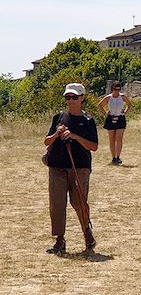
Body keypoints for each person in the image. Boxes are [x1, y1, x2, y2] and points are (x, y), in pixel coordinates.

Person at [44, 83, 98, 254]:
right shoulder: (58, 118)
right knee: (57, 203)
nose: (70, 100)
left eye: (74, 97)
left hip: (80, 166)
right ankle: (59, 240)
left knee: (79, 201)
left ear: (82, 98)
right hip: (57, 165)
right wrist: (56, 134)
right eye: (68, 97)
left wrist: (74, 136)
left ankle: (87, 233)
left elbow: (93, 146)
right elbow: (46, 141)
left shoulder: (88, 121)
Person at [98, 81, 133, 165]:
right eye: (115, 89)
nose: (117, 91)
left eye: (118, 89)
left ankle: (118, 156)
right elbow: (100, 105)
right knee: (112, 139)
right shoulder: (108, 97)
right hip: (111, 117)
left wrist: (125, 112)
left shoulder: (123, 97)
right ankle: (113, 157)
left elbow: (130, 104)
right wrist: (106, 113)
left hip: (120, 117)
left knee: (119, 138)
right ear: (112, 89)